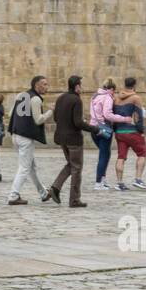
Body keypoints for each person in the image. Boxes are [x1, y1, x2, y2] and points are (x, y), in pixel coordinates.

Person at [48, 75, 97, 207]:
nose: (82, 87)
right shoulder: (76, 100)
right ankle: (74, 199)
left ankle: (55, 188)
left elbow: (56, 118)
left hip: (61, 138)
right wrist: (95, 129)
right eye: (81, 85)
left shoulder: (61, 98)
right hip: (73, 140)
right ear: (77, 86)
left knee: (71, 165)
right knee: (76, 168)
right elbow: (78, 122)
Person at [7, 74, 53, 204]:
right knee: (24, 168)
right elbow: (38, 120)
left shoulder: (21, 95)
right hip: (26, 138)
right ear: (36, 85)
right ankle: (13, 195)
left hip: (16, 135)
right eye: (44, 84)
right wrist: (50, 112)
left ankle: (43, 193)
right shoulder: (36, 99)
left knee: (31, 167)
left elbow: (11, 114)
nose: (46, 87)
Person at [88, 78, 127, 191]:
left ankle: (103, 180)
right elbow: (108, 114)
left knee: (105, 154)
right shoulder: (107, 97)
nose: (114, 93)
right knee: (103, 155)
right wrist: (124, 119)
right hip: (104, 128)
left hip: (93, 127)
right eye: (113, 91)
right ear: (111, 89)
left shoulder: (95, 96)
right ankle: (98, 182)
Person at [111, 77, 146, 190]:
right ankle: (138, 179)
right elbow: (138, 116)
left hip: (119, 132)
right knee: (142, 153)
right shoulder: (135, 98)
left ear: (125, 84)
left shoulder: (116, 98)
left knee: (121, 156)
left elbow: (113, 114)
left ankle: (119, 183)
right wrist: (141, 131)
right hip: (132, 132)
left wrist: (115, 129)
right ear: (134, 85)